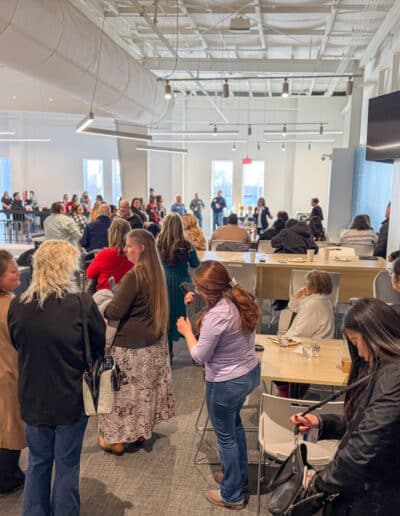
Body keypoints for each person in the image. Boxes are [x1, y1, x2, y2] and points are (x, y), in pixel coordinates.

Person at [8, 240, 105, 516]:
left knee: (37, 463)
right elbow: (99, 346)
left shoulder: (18, 305)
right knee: (67, 464)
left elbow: (17, 343)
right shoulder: (81, 303)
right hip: (71, 397)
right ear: (68, 267)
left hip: (32, 397)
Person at [291, 298, 400, 515]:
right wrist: (322, 423)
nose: (359, 353)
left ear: (375, 335)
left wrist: (319, 483)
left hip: (376, 497)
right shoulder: (386, 371)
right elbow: (366, 426)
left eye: (356, 341)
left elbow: (365, 446)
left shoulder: (393, 377)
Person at [177, 260, 260, 510]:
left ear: (209, 290)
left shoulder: (217, 315)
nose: (197, 291)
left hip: (226, 382)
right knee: (234, 428)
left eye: (200, 288)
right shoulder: (243, 299)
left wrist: (187, 332)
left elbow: (200, 356)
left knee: (226, 437)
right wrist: (195, 306)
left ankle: (232, 495)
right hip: (249, 373)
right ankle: (237, 477)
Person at [98, 229, 175, 454]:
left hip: (129, 347)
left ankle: (115, 440)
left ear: (140, 248)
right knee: (144, 392)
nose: (125, 250)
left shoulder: (134, 276)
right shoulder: (157, 273)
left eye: (129, 245)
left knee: (121, 394)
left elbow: (115, 310)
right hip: (152, 344)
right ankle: (140, 432)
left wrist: (104, 303)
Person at [157, 214, 199, 362]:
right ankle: (196, 354)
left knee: (167, 317)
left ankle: (168, 355)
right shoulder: (186, 244)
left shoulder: (158, 243)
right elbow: (195, 264)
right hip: (184, 284)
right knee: (189, 316)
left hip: (165, 282)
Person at [0, 251, 25, 495]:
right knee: (9, 426)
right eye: (12, 270)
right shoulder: (12, 306)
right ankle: (7, 477)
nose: (19, 272)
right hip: (8, 374)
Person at [285, 270, 335, 340]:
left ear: (313, 287)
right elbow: (293, 308)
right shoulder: (322, 300)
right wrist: (296, 297)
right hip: (311, 341)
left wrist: (285, 338)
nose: (304, 287)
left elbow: (301, 333)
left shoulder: (313, 305)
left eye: (306, 284)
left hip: (309, 344)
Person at [86, 218, 133, 291]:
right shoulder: (134, 254)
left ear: (111, 233)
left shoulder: (104, 253)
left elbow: (89, 274)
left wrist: (97, 259)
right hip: (128, 293)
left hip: (105, 293)